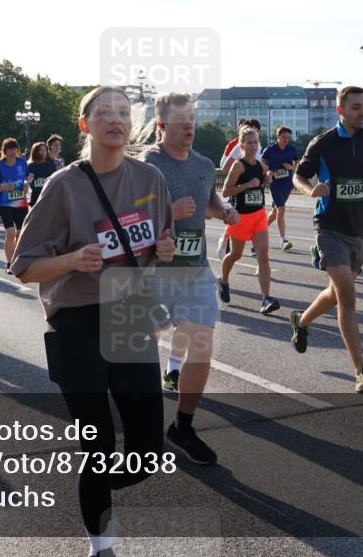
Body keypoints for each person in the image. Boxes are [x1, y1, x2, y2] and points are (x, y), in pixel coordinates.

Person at [12, 86, 174, 557]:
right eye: (104, 113)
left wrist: (162, 253)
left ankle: (98, 484)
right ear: (85, 125)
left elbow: (155, 248)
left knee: (148, 451)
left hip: (128, 315)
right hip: (76, 321)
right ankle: (100, 542)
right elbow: (24, 267)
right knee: (98, 440)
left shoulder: (150, 178)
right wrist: (70, 261)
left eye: (124, 112)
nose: (116, 120)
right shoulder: (63, 185)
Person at [140, 92, 239, 466]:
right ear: (163, 125)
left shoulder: (203, 163)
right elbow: (126, 213)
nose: (190, 126)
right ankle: (140, 420)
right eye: (182, 120)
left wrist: (225, 210)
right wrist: (168, 210)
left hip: (194, 269)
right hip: (150, 272)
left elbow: (208, 198)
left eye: (193, 119)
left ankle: (182, 425)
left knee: (202, 344)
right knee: (140, 351)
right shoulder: (148, 165)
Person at [288, 86, 363, 392]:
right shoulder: (323, 143)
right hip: (330, 227)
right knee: (347, 296)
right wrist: (311, 190)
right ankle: (361, 370)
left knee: (335, 293)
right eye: (356, 108)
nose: (362, 113)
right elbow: (299, 176)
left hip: (362, 228)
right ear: (341, 110)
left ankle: (302, 321)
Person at [218, 125, 279, 314]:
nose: (253, 146)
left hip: (258, 216)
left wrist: (267, 178)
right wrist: (246, 185)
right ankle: (223, 280)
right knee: (236, 254)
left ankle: (266, 299)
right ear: (242, 145)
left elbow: (265, 178)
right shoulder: (238, 165)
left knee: (263, 257)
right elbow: (226, 191)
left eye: (255, 142)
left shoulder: (260, 164)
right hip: (241, 218)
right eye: (249, 143)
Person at [0, 138, 30, 274]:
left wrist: (25, 185)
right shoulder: (0, 165)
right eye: (9, 149)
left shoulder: (22, 162)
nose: (12, 152)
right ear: (4, 151)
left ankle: (17, 258)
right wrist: (5, 187)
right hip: (5, 204)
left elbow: (27, 178)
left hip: (21, 203)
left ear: (17, 150)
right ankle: (9, 263)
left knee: (20, 234)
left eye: (14, 149)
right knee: (11, 233)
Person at [261, 126, 299, 252]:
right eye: (283, 137)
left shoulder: (291, 149)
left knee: (275, 212)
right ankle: (284, 240)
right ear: (278, 137)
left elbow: (298, 163)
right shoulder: (271, 149)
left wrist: (291, 166)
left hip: (287, 183)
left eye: (288, 137)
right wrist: (267, 171)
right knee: (281, 210)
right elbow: (261, 160)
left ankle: (259, 231)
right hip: (274, 183)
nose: (286, 140)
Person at [27, 141, 57, 207]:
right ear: (35, 152)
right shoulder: (30, 166)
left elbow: (55, 178)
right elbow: (27, 182)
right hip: (36, 196)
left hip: (49, 195)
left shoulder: (50, 163)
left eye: (45, 150)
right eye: (41, 150)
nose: (43, 152)